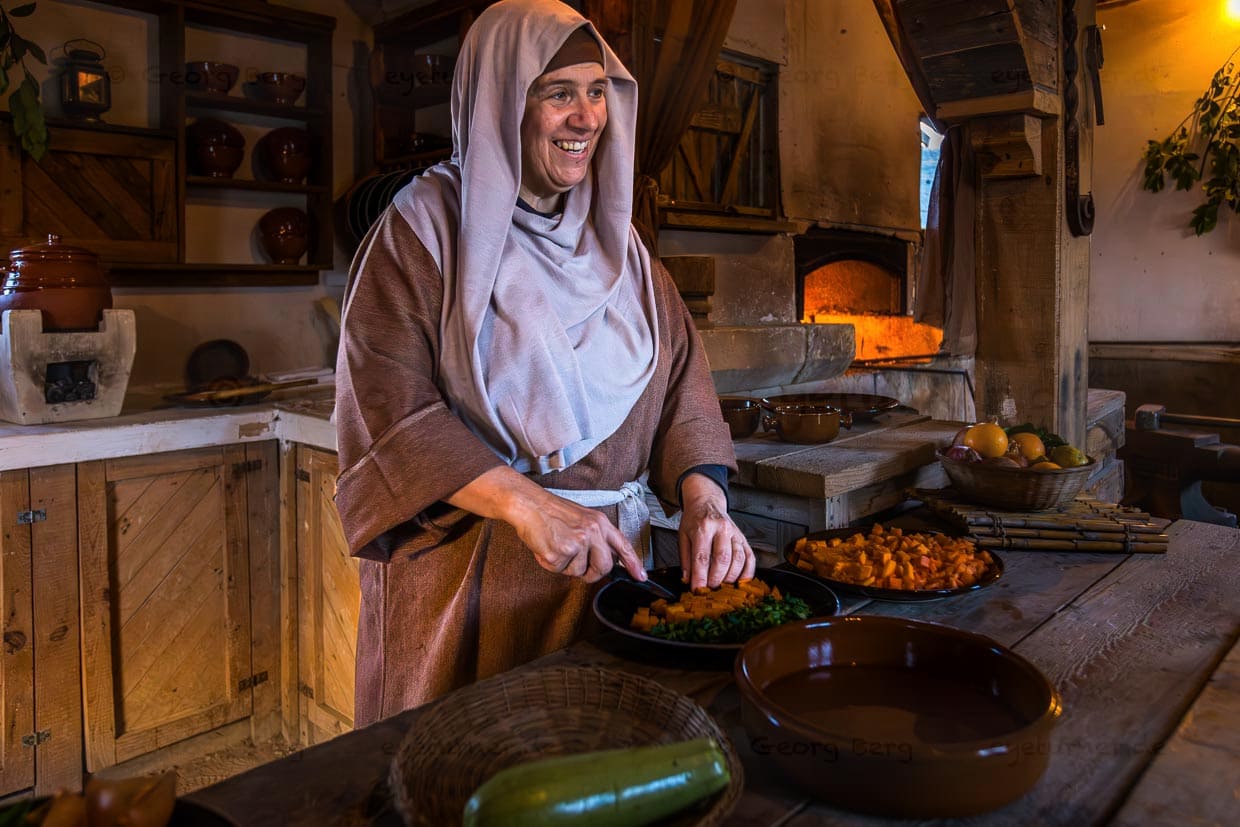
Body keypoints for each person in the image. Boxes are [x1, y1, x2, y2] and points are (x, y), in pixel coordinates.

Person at [335, 0, 754, 727]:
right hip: (473, 594)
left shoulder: (623, 247)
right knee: (462, 771)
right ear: (501, 99)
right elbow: (389, 408)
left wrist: (703, 502)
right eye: (560, 93)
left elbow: (684, 383)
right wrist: (528, 506)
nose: (588, 117)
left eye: (598, 92)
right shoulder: (421, 233)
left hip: (611, 586)